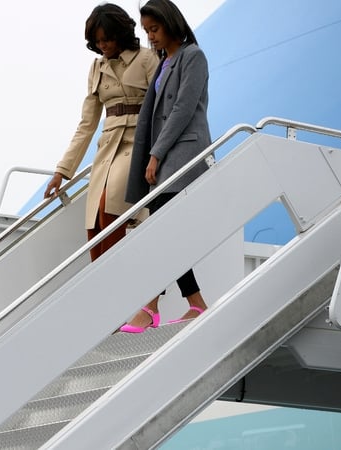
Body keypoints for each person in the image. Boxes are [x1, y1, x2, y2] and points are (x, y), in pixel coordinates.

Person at [44, 3, 159, 262]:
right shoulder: (97, 68)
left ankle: (115, 280)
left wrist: (158, 152)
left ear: (120, 33)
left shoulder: (146, 59)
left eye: (106, 39)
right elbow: (87, 123)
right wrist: (62, 171)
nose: (102, 45)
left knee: (111, 207)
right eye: (97, 41)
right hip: (107, 147)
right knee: (94, 222)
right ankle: (100, 288)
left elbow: (162, 107)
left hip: (138, 141)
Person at [121, 0, 210, 333]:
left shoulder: (193, 57)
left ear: (171, 23)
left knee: (164, 232)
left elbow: (183, 110)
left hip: (182, 155)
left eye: (154, 29)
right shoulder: (164, 62)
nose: (150, 37)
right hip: (165, 157)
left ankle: (151, 307)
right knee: (167, 234)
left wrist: (155, 154)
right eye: (146, 31)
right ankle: (196, 304)